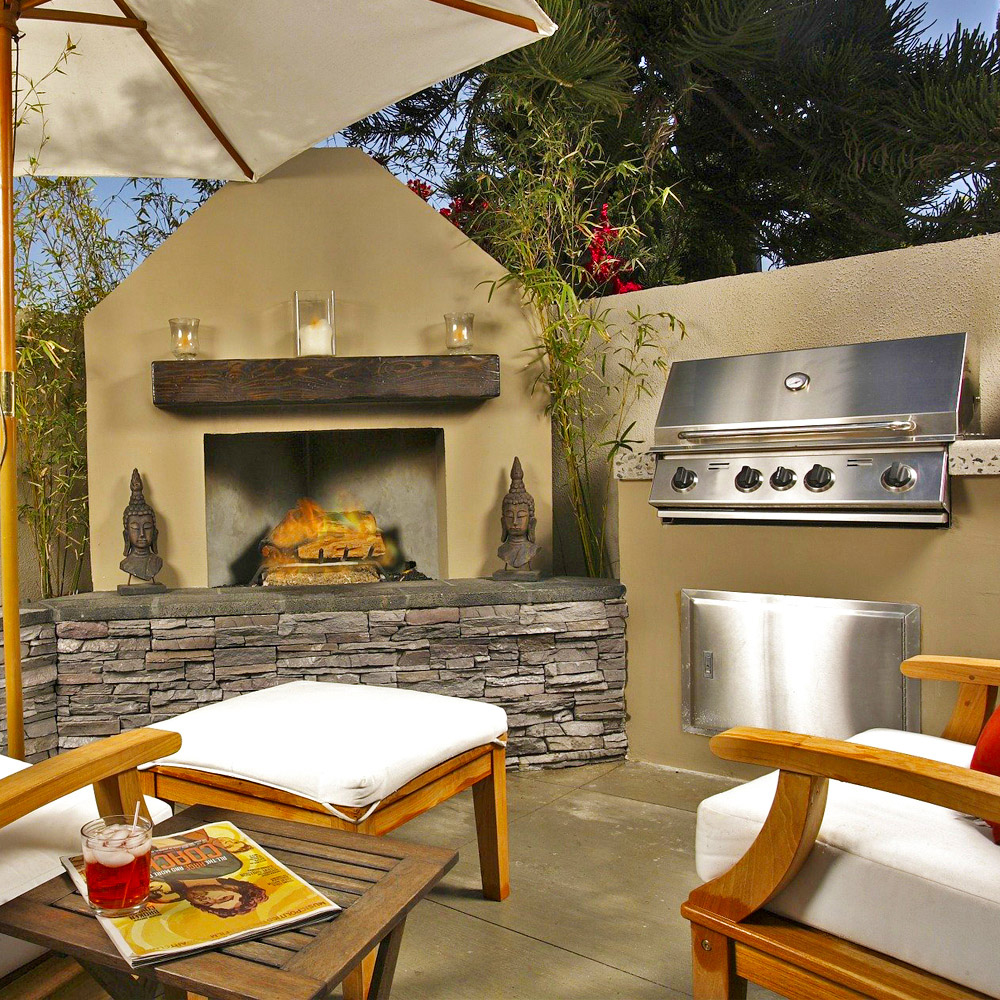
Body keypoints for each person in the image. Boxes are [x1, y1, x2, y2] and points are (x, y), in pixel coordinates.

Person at [120, 468, 163, 583]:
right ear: (126, 535)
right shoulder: (126, 564)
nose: (142, 534)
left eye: (147, 527)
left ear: (155, 533)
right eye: (135, 528)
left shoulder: (156, 563)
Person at [175, 877, 267, 918]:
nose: (206, 899)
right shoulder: (224, 867)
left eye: (208, 904)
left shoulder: (169, 894)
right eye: (224, 898)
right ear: (231, 888)